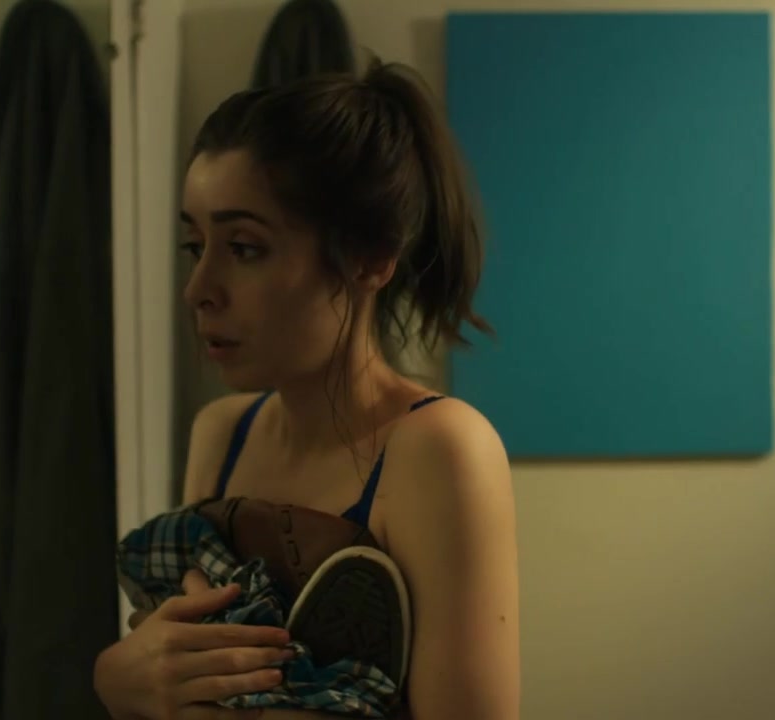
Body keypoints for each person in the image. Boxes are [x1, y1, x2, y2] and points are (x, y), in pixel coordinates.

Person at [91, 57, 520, 720]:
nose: (199, 289)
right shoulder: (222, 433)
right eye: (195, 246)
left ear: (369, 259)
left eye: (244, 247)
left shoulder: (439, 448)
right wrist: (119, 679)